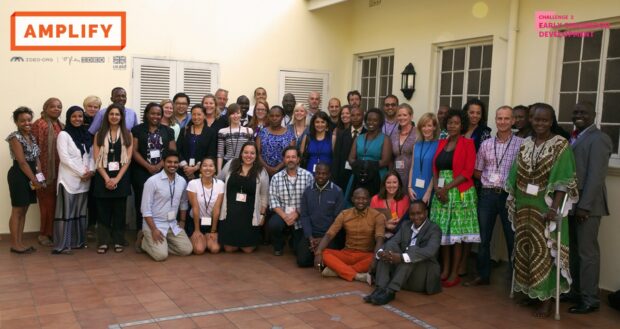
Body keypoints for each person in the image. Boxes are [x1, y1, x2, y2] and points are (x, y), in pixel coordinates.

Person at [506, 103, 579, 318]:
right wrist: (514, 201)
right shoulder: (525, 144)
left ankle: (546, 299)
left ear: (552, 121)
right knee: (525, 249)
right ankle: (532, 292)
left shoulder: (560, 145)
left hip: (545, 208)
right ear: (531, 119)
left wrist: (554, 208)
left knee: (546, 252)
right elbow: (515, 173)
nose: (540, 123)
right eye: (536, 119)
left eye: (545, 120)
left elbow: (563, 180)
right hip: (524, 205)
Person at [464, 106, 523, 287]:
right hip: (488, 194)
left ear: (513, 121)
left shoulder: (522, 144)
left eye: (506, 119)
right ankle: (483, 275)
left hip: (509, 196)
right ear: (495, 120)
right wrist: (488, 180)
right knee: (483, 238)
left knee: (512, 238)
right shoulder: (486, 144)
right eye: (499, 118)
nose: (502, 122)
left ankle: (515, 281)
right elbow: (476, 170)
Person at [566, 102, 612, 314]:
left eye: (583, 112)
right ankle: (576, 291)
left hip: (588, 207)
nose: (578, 115)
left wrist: (584, 207)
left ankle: (590, 298)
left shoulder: (599, 139)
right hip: (572, 204)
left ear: (594, 115)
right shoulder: (574, 136)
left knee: (587, 253)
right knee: (574, 251)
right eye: (575, 112)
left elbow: (596, 177)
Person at [430, 109, 479, 288]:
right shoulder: (442, 142)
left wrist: (446, 189)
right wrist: (437, 188)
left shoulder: (468, 144)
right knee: (443, 232)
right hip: (440, 192)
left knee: (456, 235)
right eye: (450, 123)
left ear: (462, 125)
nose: (452, 126)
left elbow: (467, 172)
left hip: (459, 192)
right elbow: (435, 167)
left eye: (456, 123)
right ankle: (445, 269)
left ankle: (454, 272)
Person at [365, 201, 442, 305]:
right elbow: (393, 241)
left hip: (421, 278)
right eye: (412, 214)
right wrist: (381, 253)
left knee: (412, 251)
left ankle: (390, 291)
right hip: (403, 276)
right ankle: (380, 288)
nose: (416, 217)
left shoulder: (434, 229)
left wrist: (402, 257)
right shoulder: (406, 225)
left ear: (426, 213)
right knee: (389, 246)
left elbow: (430, 251)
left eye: (419, 213)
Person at [314, 188, 385, 282]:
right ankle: (358, 276)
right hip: (347, 253)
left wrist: (375, 259)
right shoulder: (344, 214)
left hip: (366, 255)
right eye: (357, 198)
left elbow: (379, 240)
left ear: (369, 200)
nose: (360, 201)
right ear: (352, 199)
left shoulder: (377, 216)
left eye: (364, 199)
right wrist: (318, 252)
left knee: (378, 258)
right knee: (324, 253)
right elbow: (329, 234)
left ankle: (338, 271)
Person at [131, 102, 176, 241]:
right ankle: (142, 232)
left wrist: (160, 165)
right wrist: (148, 166)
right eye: (152, 113)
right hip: (141, 171)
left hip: (163, 171)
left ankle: (160, 230)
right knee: (142, 202)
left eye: (158, 114)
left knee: (161, 200)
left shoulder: (168, 131)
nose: (155, 116)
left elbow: (172, 151)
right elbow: (133, 151)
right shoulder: (137, 129)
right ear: (146, 114)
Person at [53, 106, 95, 254]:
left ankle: (78, 241)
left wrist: (91, 171)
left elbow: (91, 156)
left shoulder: (86, 134)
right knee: (67, 212)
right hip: (69, 180)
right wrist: (81, 173)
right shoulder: (63, 135)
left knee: (80, 211)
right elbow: (64, 158)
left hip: (85, 180)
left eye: (80, 116)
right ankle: (64, 244)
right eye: (74, 117)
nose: (78, 119)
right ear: (69, 118)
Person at [93, 104, 133, 254]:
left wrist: (116, 179)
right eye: (111, 114)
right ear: (107, 116)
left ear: (121, 117)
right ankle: (103, 241)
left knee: (119, 212)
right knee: (103, 212)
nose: (114, 117)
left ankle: (118, 240)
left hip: (121, 178)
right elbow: (96, 159)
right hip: (102, 177)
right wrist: (106, 178)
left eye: (117, 114)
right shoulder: (99, 134)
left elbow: (127, 160)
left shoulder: (128, 134)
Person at [140, 150, 193, 261]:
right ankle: (144, 242)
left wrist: (182, 221)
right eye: (169, 162)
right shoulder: (152, 181)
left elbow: (183, 202)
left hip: (172, 224)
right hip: (154, 224)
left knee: (187, 250)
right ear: (163, 162)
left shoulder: (182, 181)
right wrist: (153, 229)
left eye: (175, 162)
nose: (172, 165)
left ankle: (161, 245)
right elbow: (145, 209)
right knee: (161, 256)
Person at [217, 142, 269, 253]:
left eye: (252, 153)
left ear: (256, 156)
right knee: (229, 249)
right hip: (230, 214)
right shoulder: (231, 164)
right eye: (246, 152)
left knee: (247, 250)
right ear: (241, 153)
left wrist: (262, 214)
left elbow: (264, 195)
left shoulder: (261, 171)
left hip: (249, 215)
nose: (248, 156)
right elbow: (219, 180)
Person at [6, 107, 43, 253]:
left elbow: (37, 159)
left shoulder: (31, 136)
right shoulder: (14, 137)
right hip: (19, 175)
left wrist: (40, 176)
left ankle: (20, 243)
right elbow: (22, 162)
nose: (27, 123)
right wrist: (34, 180)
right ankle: (15, 244)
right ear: (16, 122)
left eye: (29, 120)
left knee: (24, 210)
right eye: (22, 121)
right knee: (17, 210)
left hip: (31, 175)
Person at [268, 146, 314, 256]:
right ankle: (279, 244)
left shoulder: (308, 176)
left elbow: (310, 200)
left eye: (293, 157)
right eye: (287, 157)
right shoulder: (276, 178)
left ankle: (293, 241)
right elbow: (273, 200)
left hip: (301, 215)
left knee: (297, 250)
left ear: (298, 159)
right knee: (273, 224)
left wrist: (297, 213)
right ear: (284, 159)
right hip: (282, 214)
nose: (290, 159)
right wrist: (285, 216)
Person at [298, 163, 344, 267]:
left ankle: (321, 256)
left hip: (329, 235)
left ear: (329, 175)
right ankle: (318, 255)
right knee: (302, 261)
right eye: (318, 173)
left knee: (328, 263)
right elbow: (304, 216)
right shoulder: (307, 191)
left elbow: (338, 219)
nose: (321, 176)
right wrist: (310, 238)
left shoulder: (337, 191)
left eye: (324, 174)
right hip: (312, 234)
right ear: (314, 174)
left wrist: (324, 239)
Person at [32, 97, 64, 247]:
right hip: (44, 173)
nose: (56, 109)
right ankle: (43, 234)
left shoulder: (61, 125)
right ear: (45, 108)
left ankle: (53, 232)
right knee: (46, 204)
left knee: (56, 204)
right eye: (53, 106)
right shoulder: (39, 124)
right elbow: (33, 151)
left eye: (59, 107)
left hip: (60, 172)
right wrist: (38, 175)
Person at [345, 108, 392, 202]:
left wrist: (369, 166)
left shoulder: (385, 139)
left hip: (377, 175)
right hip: (358, 174)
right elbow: (351, 158)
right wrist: (360, 166)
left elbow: (385, 160)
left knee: (375, 204)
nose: (371, 122)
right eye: (369, 120)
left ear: (380, 122)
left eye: (375, 120)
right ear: (365, 121)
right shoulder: (359, 138)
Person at [186, 157, 223, 254]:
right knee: (199, 250)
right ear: (200, 169)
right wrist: (197, 230)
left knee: (215, 249)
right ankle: (200, 238)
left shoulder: (220, 184)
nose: (208, 168)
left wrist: (213, 230)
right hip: (196, 221)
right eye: (205, 165)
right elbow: (195, 207)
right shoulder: (193, 184)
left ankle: (207, 238)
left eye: (211, 166)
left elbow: (217, 209)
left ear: (215, 169)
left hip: (212, 222)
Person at [176, 104, 217, 180]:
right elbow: (177, 150)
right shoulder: (184, 130)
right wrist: (185, 166)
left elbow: (211, 153)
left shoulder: (211, 132)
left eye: (199, 114)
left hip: (201, 172)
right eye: (193, 114)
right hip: (183, 171)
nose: (196, 117)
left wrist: (196, 168)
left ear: (204, 116)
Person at [408, 113, 439, 205]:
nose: (426, 129)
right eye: (423, 126)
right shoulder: (416, 145)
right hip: (414, 187)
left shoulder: (438, 145)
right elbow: (412, 167)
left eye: (429, 125)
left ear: (434, 127)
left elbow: (436, 171)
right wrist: (409, 187)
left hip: (428, 188)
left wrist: (429, 191)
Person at [331, 106, 365, 190]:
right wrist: (334, 179)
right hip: (343, 175)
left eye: (358, 115)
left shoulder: (367, 134)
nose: (355, 118)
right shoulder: (342, 134)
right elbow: (336, 157)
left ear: (363, 116)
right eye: (353, 115)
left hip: (361, 175)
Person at [256, 106, 296, 177]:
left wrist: (277, 168)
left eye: (277, 116)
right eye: (272, 116)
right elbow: (257, 153)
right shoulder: (262, 132)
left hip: (283, 173)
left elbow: (291, 155)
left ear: (282, 116)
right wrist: (268, 168)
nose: (274, 118)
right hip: (263, 172)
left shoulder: (290, 135)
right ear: (268, 116)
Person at [370, 171, 410, 239]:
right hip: (380, 234)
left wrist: (399, 222)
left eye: (394, 182)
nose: (391, 185)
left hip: (399, 234)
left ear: (399, 184)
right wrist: (385, 224)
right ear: (384, 184)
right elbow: (371, 221)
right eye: (388, 182)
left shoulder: (405, 199)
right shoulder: (375, 199)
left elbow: (408, 221)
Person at [217, 103, 254, 172]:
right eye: (233, 113)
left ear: (241, 114)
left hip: (244, 165)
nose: (235, 116)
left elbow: (252, 152)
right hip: (227, 165)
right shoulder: (222, 132)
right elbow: (220, 154)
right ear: (229, 115)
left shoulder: (249, 131)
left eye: (238, 113)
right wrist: (219, 171)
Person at [390, 104, 416, 185]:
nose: (402, 118)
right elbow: (391, 157)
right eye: (399, 115)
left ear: (411, 116)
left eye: (405, 115)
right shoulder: (394, 134)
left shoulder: (418, 133)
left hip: (412, 174)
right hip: (396, 175)